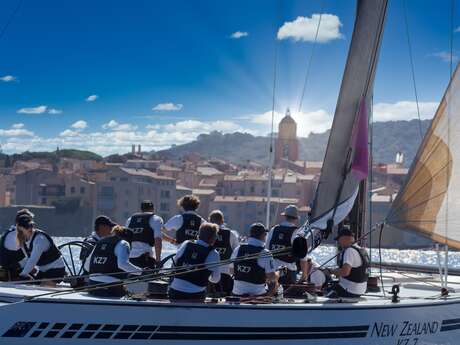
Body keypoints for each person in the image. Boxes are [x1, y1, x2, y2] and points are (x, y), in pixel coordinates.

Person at [169, 222, 221, 302]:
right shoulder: (214, 254)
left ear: (199, 234)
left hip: (175, 291)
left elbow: (174, 265)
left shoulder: (186, 244)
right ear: (213, 238)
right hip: (195, 295)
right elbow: (215, 279)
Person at [86, 225, 142, 297]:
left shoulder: (100, 242)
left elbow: (87, 266)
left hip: (92, 285)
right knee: (137, 293)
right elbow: (122, 264)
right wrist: (141, 272)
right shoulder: (124, 243)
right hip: (111, 288)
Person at [266, 205, 309, 289]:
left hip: (272, 271)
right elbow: (303, 257)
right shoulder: (298, 233)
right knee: (288, 297)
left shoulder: (273, 229)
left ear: (285, 216)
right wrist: (304, 275)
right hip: (289, 272)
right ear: (296, 218)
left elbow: (266, 250)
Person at [16, 215, 66, 287]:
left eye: (31, 225)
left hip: (56, 270)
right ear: (20, 228)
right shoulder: (23, 240)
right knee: (33, 286)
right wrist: (17, 267)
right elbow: (28, 259)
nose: (30, 228)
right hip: (43, 271)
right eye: (26, 226)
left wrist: (22, 275)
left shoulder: (40, 239)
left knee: (40, 287)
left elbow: (33, 260)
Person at [231, 223, 278, 297]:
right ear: (263, 235)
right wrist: (278, 274)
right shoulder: (265, 253)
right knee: (274, 283)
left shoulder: (238, 249)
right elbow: (271, 277)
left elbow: (231, 270)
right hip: (257, 296)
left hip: (237, 294)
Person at [326, 226, 369, 298]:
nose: (338, 243)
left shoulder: (349, 251)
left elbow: (345, 272)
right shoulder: (362, 250)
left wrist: (330, 271)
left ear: (344, 238)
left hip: (349, 290)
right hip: (361, 290)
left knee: (325, 291)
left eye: (339, 240)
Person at [208, 210, 239, 296]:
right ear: (222, 221)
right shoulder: (232, 234)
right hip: (227, 273)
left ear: (210, 221)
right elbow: (237, 251)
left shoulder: (206, 233)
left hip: (210, 272)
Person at [126, 200, 163, 269]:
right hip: (144, 258)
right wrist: (158, 260)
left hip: (129, 258)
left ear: (141, 209)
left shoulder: (130, 220)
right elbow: (158, 239)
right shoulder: (156, 219)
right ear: (153, 208)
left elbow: (125, 239)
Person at [0, 209, 33, 280]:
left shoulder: (9, 232)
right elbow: (30, 258)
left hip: (8, 271)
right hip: (11, 274)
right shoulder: (16, 235)